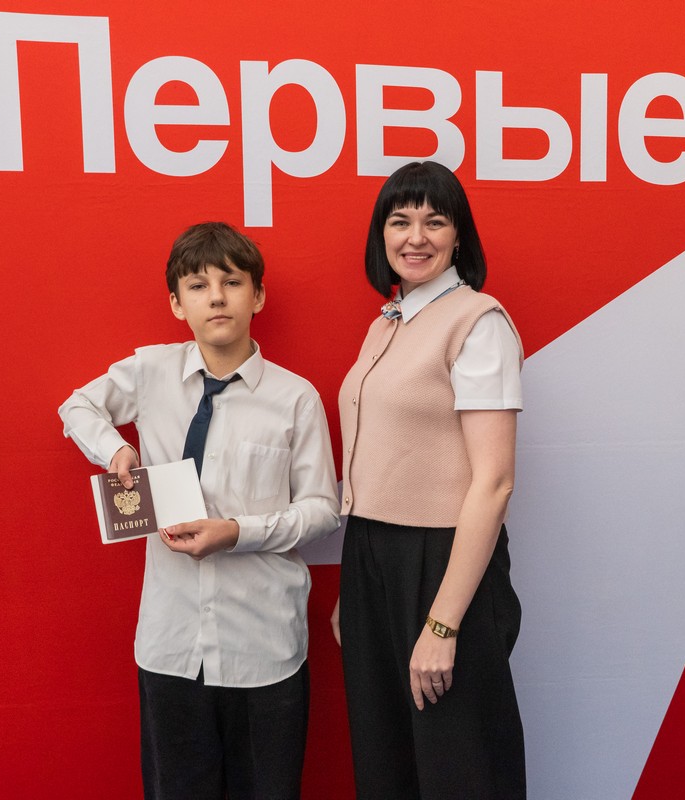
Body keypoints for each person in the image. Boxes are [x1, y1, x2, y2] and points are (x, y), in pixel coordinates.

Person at [59, 221, 340, 800]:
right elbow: (77, 406)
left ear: (257, 296)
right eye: (198, 285)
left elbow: (321, 510)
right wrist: (115, 450)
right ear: (176, 303)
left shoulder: (295, 398)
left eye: (232, 283)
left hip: (264, 644)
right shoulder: (150, 372)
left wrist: (237, 532)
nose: (216, 297)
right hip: (171, 642)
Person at [333, 161, 527, 799]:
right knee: (386, 759)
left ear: (458, 236)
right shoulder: (387, 322)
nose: (415, 237)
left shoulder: (478, 321)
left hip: (443, 560)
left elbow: (494, 482)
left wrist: (443, 625)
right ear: (381, 235)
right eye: (400, 221)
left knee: (459, 763)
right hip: (372, 557)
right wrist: (358, 585)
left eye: (434, 221)